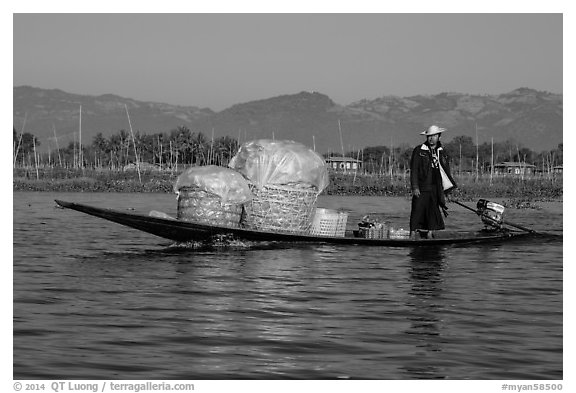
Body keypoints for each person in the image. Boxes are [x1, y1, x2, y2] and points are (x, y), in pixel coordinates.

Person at [409, 125, 457, 239]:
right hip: (422, 185)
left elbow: (446, 171)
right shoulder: (419, 150)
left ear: (439, 137)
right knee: (417, 209)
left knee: (433, 210)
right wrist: (415, 187)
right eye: (429, 136)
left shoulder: (442, 152)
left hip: (436, 186)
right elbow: (414, 170)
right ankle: (412, 232)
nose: (431, 138)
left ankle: (430, 233)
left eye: (434, 136)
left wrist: (447, 191)